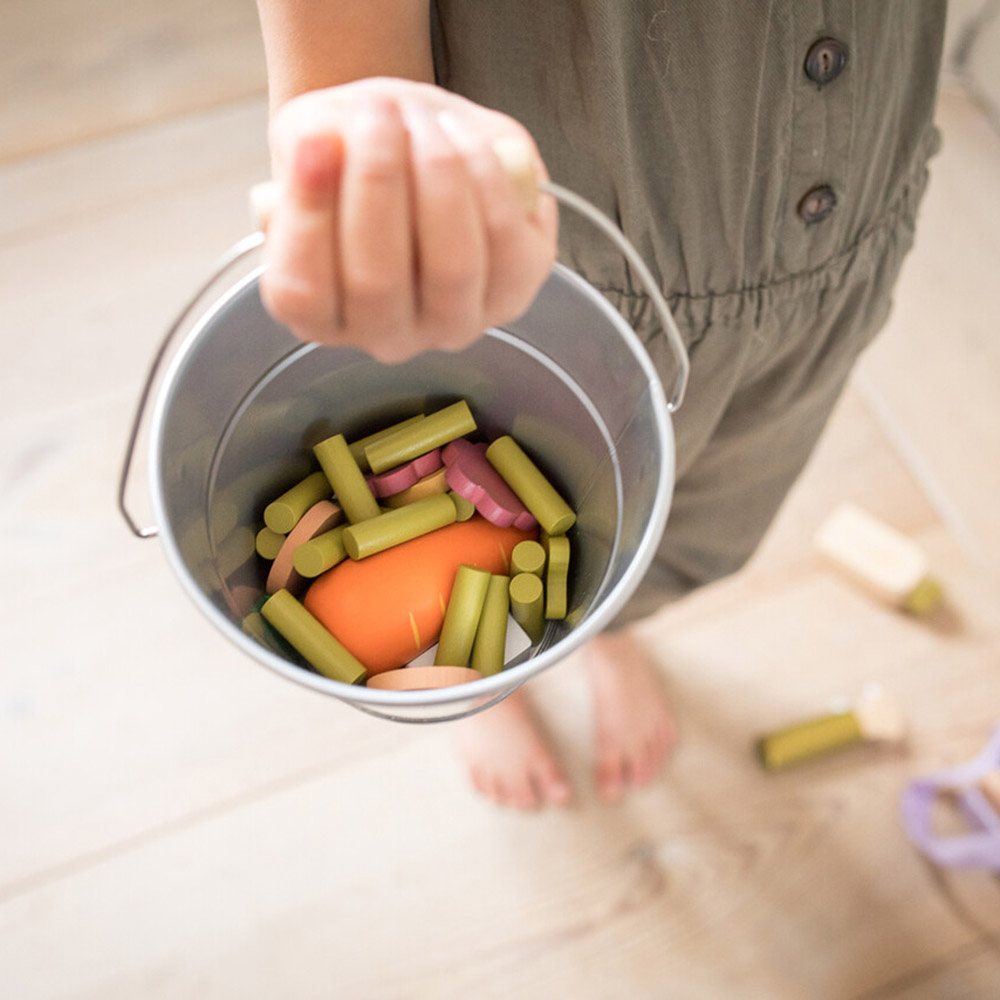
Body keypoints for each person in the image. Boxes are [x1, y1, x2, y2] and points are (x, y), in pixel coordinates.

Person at [253, 1, 947, 808]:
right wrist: (355, 95)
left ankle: (606, 629)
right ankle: (472, 678)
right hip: (569, 239)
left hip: (845, 209)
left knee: (706, 506)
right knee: (572, 504)